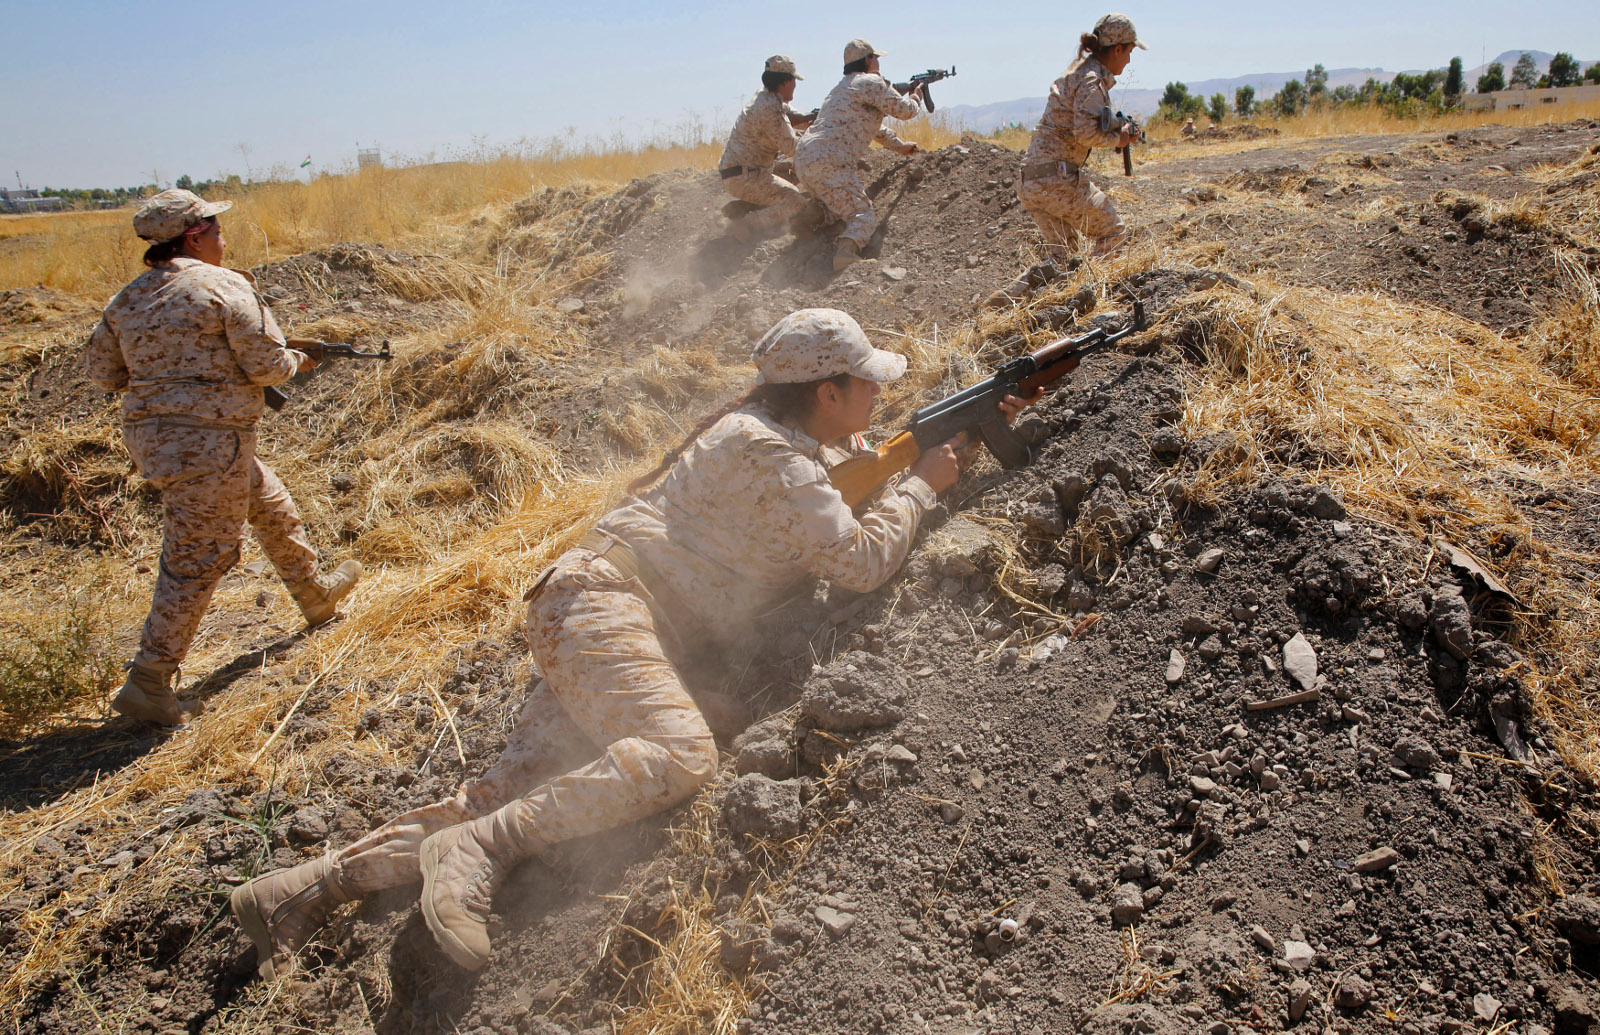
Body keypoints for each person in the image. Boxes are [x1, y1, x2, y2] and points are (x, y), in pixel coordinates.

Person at [230, 308, 1036, 978]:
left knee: (504, 784)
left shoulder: (766, 433)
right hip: (607, 608)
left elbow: (842, 468)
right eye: (869, 383)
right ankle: (479, 850)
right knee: (680, 753)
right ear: (828, 391)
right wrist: (923, 490)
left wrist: (934, 446)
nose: (880, 392)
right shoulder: (770, 456)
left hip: (588, 607)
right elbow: (859, 562)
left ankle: (304, 890)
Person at [84, 189, 362, 726]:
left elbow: (105, 375)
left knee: (267, 500)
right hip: (210, 440)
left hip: (159, 439)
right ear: (194, 236)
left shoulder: (125, 300)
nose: (223, 238)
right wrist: (297, 362)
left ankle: (314, 595)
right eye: (216, 229)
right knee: (199, 556)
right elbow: (266, 367)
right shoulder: (223, 285)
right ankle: (149, 681)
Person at [1015, 13, 1145, 262]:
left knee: (1062, 259)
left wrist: (1116, 133)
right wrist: (1121, 140)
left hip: (1031, 180)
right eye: (1129, 52)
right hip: (1055, 179)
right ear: (1117, 49)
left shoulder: (1079, 72)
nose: (1129, 60)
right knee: (1113, 232)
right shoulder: (1091, 80)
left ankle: (1007, 300)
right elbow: (1085, 133)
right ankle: (1085, 294)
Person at [794, 39, 924, 272]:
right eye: (876, 57)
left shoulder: (840, 88)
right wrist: (916, 96)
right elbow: (905, 111)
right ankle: (846, 254)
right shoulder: (871, 82)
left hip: (805, 157)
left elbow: (871, 126)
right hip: (830, 160)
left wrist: (899, 146)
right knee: (862, 214)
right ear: (867, 60)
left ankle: (808, 217)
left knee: (838, 206)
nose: (878, 62)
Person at [719, 55, 814, 242]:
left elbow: (793, 117)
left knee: (787, 193)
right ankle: (745, 225)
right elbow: (792, 148)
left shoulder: (766, 97)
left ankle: (746, 207)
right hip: (746, 177)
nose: (795, 85)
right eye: (794, 80)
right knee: (797, 203)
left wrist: (812, 117)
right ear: (785, 82)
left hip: (739, 173)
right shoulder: (770, 110)